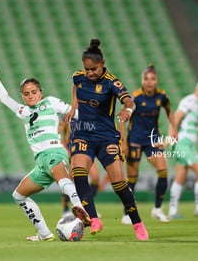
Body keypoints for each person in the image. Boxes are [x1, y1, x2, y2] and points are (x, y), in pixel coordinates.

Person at [0, 55, 90, 241]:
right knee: (18, 195)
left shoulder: (50, 102)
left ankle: (79, 206)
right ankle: (44, 233)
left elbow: (73, 112)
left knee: (61, 177)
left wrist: (95, 119)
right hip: (40, 162)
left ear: (40, 92)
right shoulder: (23, 112)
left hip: (53, 152)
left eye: (34, 92)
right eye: (26, 94)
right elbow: (4, 98)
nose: (30, 95)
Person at [65, 39, 149, 240]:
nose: (89, 73)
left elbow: (128, 99)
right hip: (83, 133)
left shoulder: (112, 82)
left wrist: (128, 109)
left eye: (93, 69)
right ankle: (94, 219)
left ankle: (137, 222)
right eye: (87, 69)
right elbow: (76, 89)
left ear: (102, 63)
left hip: (106, 137)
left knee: (119, 183)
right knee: (78, 172)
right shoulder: (78, 78)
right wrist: (73, 107)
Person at [119, 64, 177, 224]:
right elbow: (122, 119)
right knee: (132, 178)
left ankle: (157, 209)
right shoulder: (135, 98)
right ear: (142, 80)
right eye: (146, 79)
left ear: (157, 80)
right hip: (135, 140)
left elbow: (170, 111)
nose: (149, 82)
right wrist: (123, 142)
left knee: (163, 171)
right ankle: (127, 214)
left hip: (153, 141)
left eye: (153, 79)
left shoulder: (162, 96)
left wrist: (174, 130)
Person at [168, 79, 198, 219]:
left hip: (188, 144)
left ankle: (172, 211)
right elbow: (176, 118)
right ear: (197, 88)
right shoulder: (189, 100)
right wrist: (170, 138)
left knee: (180, 178)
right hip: (183, 143)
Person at [58, 118, 101, 218]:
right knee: (69, 180)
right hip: (72, 149)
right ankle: (65, 209)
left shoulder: (87, 113)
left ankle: (88, 207)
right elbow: (60, 132)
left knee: (95, 177)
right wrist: (64, 147)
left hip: (86, 148)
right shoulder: (69, 115)